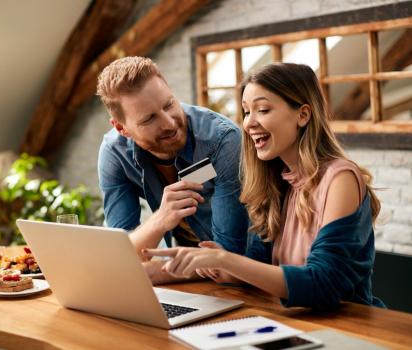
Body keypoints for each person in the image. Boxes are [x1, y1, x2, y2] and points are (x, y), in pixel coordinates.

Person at [144, 62, 385, 309]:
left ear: (303, 115)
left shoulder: (340, 178)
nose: (249, 123)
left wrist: (226, 260)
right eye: (247, 112)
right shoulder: (278, 183)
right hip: (295, 322)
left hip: (350, 328)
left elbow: (324, 283)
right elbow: (261, 267)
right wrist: (216, 266)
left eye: (263, 109)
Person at [96, 56, 249, 284]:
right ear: (121, 128)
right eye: (149, 119)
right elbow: (121, 251)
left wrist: (150, 273)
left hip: (246, 279)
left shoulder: (221, 141)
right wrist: (160, 220)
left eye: (169, 104)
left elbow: (227, 256)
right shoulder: (115, 153)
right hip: (191, 278)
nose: (169, 123)